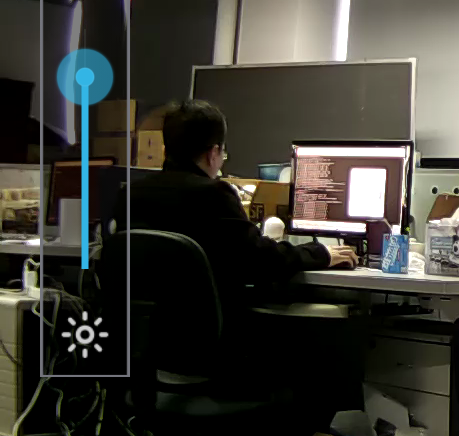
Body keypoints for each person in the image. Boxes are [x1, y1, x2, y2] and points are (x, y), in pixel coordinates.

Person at [111, 99, 355, 311]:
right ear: (213, 153)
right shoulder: (213, 194)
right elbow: (259, 259)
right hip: (204, 328)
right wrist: (320, 253)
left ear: (166, 149)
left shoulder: (130, 195)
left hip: (142, 332)